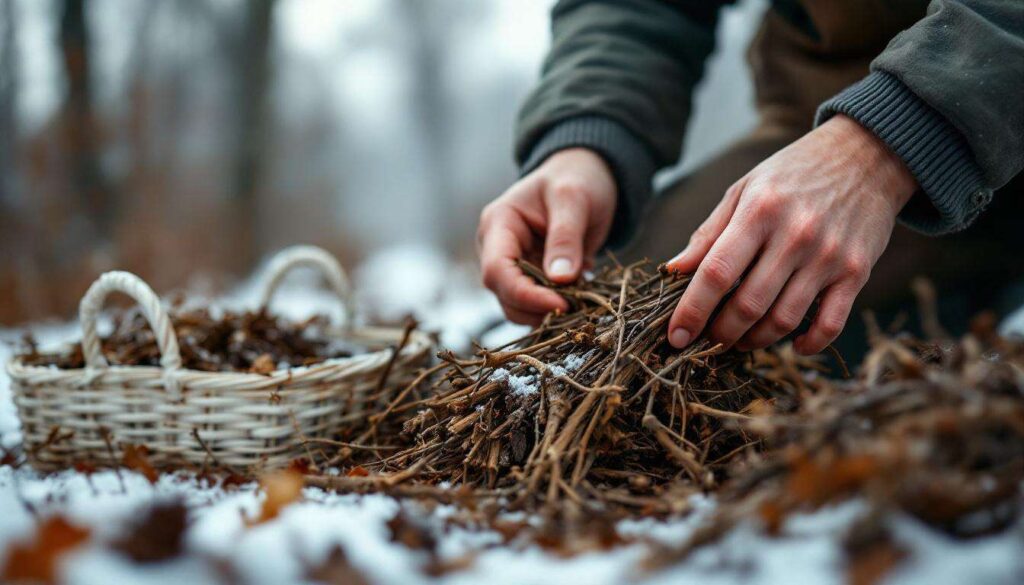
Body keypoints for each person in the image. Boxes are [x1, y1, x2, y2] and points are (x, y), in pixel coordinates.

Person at [476, 0, 1024, 356]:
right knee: (642, 311)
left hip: (979, 89)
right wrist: (586, 137)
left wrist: (886, 147)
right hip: (820, 104)